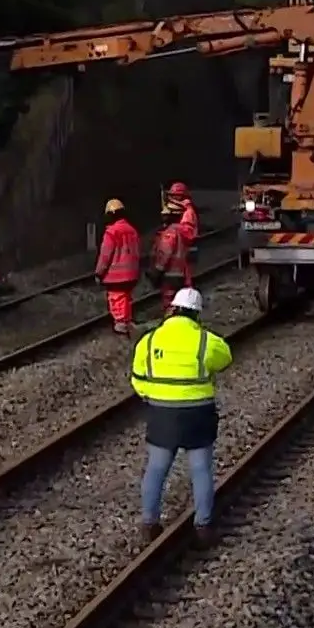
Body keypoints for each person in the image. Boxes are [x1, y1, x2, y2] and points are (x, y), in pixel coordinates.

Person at [130, 287, 234, 548]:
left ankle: (149, 522)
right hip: (197, 414)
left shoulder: (149, 340)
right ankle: (203, 525)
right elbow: (225, 358)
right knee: (200, 470)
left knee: (156, 469)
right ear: (196, 315)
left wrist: (154, 395)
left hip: (162, 414)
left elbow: (138, 379)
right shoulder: (206, 341)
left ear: (172, 309)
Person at [146, 183, 199, 319]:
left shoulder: (172, 231)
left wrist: (156, 270)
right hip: (181, 269)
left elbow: (165, 252)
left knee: (170, 301)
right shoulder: (179, 225)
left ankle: (172, 322)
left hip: (171, 273)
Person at [95, 198, 144, 336]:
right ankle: (126, 321)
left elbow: (105, 255)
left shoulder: (111, 232)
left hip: (115, 276)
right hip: (132, 273)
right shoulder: (132, 230)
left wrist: (99, 272)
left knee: (116, 297)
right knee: (126, 297)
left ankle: (121, 323)